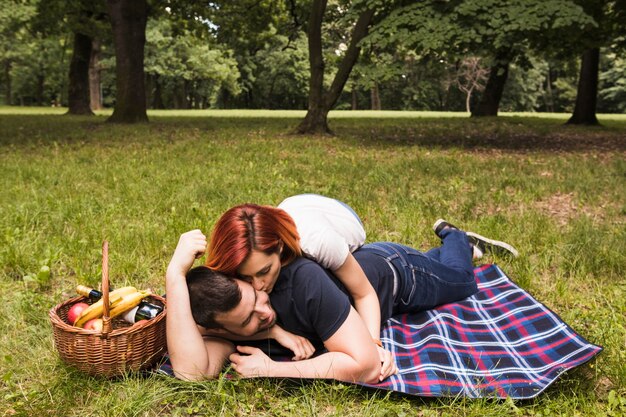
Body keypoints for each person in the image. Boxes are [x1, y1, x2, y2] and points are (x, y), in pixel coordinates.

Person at [166, 220, 518, 383]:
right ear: (215, 327)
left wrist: (273, 368)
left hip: (396, 275)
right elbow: (191, 371)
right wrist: (175, 274)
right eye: (250, 322)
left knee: (461, 280)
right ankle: (440, 253)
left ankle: (456, 237)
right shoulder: (216, 302)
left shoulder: (300, 280)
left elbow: (363, 366)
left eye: (257, 292)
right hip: (357, 276)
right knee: (440, 267)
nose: (265, 308)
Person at [205, 195, 390, 364]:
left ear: (279, 248)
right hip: (294, 206)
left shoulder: (320, 243)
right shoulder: (239, 258)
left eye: (264, 271)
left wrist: (374, 343)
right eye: (246, 277)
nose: (258, 286)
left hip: (341, 214)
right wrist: (275, 332)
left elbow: (364, 293)